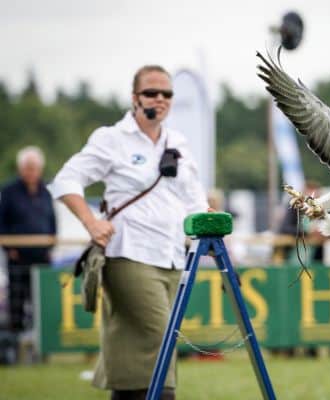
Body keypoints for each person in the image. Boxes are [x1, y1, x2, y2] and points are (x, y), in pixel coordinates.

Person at [48, 65, 208, 399]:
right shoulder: (112, 138)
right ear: (135, 97)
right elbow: (66, 180)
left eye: (167, 93)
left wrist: (208, 231)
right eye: (152, 92)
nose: (160, 99)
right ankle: (164, 395)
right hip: (128, 254)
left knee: (133, 343)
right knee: (161, 335)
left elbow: (195, 199)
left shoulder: (177, 141)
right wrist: (91, 222)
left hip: (172, 254)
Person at [0, 146, 56, 336]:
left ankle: (41, 338)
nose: (31, 171)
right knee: (17, 300)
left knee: (41, 300)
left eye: (34, 167)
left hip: (41, 254)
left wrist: (51, 245)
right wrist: (9, 248)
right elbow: (2, 222)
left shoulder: (46, 191)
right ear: (20, 168)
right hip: (18, 255)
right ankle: (14, 342)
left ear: (40, 169)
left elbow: (52, 221)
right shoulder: (9, 192)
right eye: (27, 167)